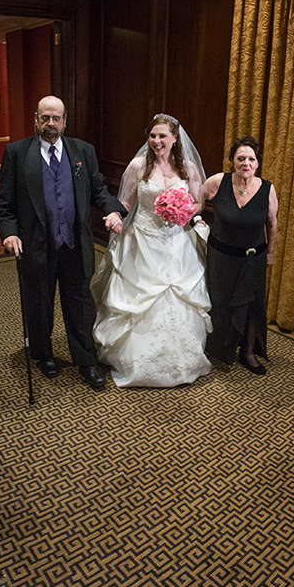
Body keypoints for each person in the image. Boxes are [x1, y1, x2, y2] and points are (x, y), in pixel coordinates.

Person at [0, 95, 126, 390]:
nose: (50, 124)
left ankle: (86, 360)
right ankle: (43, 354)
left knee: (80, 304)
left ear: (65, 120)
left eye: (56, 118)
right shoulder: (17, 153)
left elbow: (98, 190)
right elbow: (4, 205)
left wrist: (112, 209)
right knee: (38, 303)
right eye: (45, 118)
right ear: (36, 120)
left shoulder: (83, 151)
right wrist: (9, 232)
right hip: (35, 246)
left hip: (74, 245)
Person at [91, 114, 212, 387]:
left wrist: (183, 211)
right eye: (153, 136)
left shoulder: (188, 167)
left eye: (162, 136)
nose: (157, 141)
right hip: (142, 242)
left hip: (175, 244)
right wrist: (116, 217)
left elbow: (197, 204)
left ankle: (181, 358)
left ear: (174, 138)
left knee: (178, 298)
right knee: (137, 301)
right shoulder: (137, 166)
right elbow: (124, 201)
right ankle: (134, 360)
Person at [199, 135, 279, 375]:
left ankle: (248, 352)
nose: (246, 163)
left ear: (257, 163)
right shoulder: (217, 181)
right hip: (221, 256)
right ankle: (215, 348)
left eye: (251, 159)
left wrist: (271, 254)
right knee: (218, 303)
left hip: (253, 258)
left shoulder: (267, 189)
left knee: (252, 307)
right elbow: (196, 204)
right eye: (240, 158)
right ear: (232, 161)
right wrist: (194, 221)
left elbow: (272, 224)